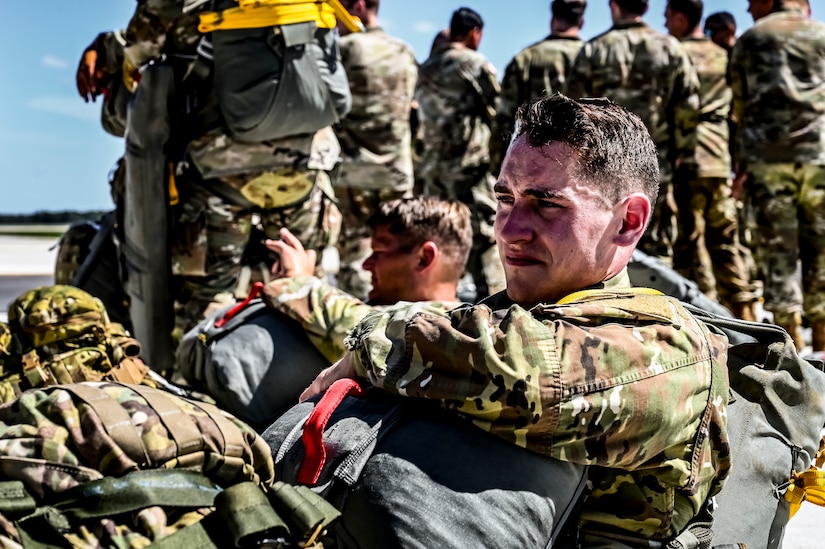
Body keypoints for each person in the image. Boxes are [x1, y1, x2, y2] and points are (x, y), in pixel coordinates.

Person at [302, 94, 731, 546]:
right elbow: (453, 332)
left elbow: (527, 375)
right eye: (505, 199)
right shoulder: (520, 312)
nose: (508, 229)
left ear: (628, 221)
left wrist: (374, 347)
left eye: (546, 204)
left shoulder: (668, 351)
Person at [115, 2, 349, 372]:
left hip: (222, 170)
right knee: (304, 289)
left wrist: (109, 50)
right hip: (307, 165)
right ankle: (313, 398)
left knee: (207, 304)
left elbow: (138, 54)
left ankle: (202, 404)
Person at [565, 0, 700, 265]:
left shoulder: (593, 50)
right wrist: (682, 153)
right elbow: (688, 109)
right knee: (658, 248)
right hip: (656, 167)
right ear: (646, 7)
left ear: (613, 5)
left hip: (602, 170)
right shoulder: (671, 48)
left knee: (605, 244)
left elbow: (573, 111)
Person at [262, 196, 472, 363]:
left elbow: (371, 330)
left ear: (424, 258)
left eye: (379, 253)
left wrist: (299, 284)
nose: (366, 264)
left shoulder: (450, 331)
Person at [730, 0, 825, 351]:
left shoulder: (751, 39)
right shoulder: (821, 35)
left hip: (768, 158)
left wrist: (741, 165)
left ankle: (794, 349)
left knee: (778, 253)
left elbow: (739, 105)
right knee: (822, 248)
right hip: (820, 156)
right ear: (806, 6)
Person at [664, 0, 760, 321]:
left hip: (687, 160)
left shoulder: (673, 54)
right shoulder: (724, 56)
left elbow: (675, 112)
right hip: (719, 159)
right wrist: (740, 164)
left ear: (680, 17)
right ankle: (746, 315)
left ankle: (711, 321)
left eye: (667, 17)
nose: (665, 24)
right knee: (725, 241)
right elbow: (741, 114)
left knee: (691, 245)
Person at [415, 7, 504, 301]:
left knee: (438, 232)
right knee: (483, 232)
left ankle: (437, 294)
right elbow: (498, 109)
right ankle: (494, 298)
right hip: (468, 165)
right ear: (474, 33)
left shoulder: (426, 68)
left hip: (432, 167)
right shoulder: (474, 63)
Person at [331, 0, 418, 301]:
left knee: (355, 257)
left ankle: (354, 335)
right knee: (401, 253)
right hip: (396, 171)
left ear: (357, 5)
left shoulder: (345, 48)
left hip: (354, 172)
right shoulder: (404, 51)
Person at [492, 0, 586, 175]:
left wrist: (497, 165)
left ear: (552, 20)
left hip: (533, 161)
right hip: (580, 162)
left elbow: (504, 118)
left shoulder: (526, 58)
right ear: (581, 22)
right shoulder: (592, 56)